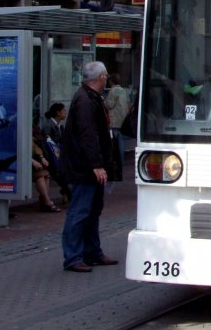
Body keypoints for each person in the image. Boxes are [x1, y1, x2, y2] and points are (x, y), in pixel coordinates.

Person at [59, 61, 119, 272]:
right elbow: (87, 134)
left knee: (92, 210)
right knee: (80, 211)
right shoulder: (85, 100)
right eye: (106, 75)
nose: (107, 78)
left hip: (88, 165)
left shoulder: (89, 97)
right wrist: (96, 164)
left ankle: (92, 252)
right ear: (101, 77)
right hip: (84, 167)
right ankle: (73, 256)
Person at [31, 121, 61, 213]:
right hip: (24, 160)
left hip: (35, 159)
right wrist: (34, 161)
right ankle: (47, 201)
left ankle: (44, 200)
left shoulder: (36, 135)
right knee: (40, 175)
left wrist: (41, 157)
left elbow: (36, 148)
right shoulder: (22, 135)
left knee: (46, 174)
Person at [104, 73, 129, 179]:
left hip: (115, 119)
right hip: (123, 119)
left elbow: (109, 104)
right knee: (121, 140)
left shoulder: (113, 91)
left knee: (115, 141)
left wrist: (103, 101)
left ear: (111, 81)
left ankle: (117, 160)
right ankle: (122, 160)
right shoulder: (123, 90)